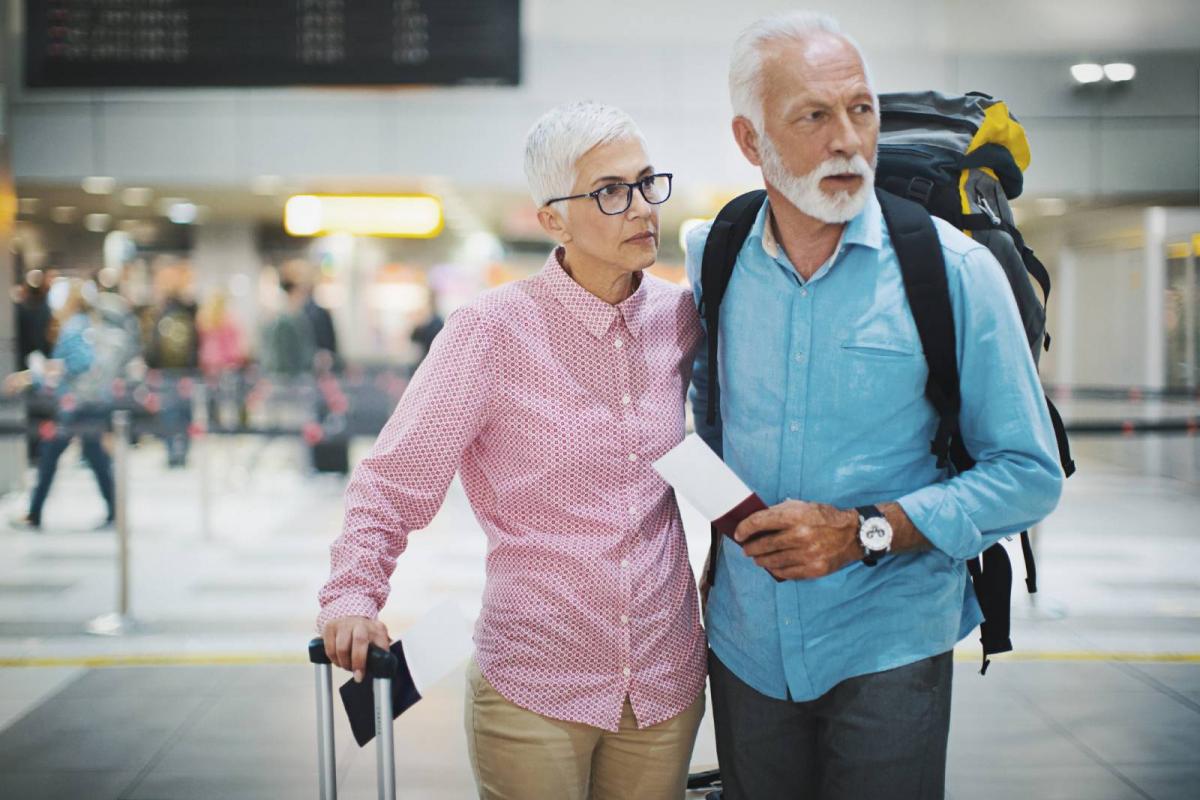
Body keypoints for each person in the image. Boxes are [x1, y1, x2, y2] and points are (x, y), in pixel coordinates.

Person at [686, 12, 1064, 800]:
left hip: (889, 640)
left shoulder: (953, 272)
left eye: (860, 109)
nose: (847, 140)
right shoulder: (716, 256)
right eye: (813, 116)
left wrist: (865, 531)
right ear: (750, 140)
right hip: (746, 640)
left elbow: (1029, 474)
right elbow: (710, 421)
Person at [317, 101, 706, 800]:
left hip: (663, 680)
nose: (642, 208)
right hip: (537, 683)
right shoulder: (491, 333)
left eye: (647, 183)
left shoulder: (679, 320)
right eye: (610, 192)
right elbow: (392, 482)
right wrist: (353, 594)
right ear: (553, 220)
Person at [6, 279, 117, 530]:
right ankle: (113, 510)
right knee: (94, 456)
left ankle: (34, 513)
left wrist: (35, 375)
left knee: (52, 455)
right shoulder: (88, 324)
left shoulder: (73, 327)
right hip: (90, 401)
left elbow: (79, 362)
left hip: (76, 404)